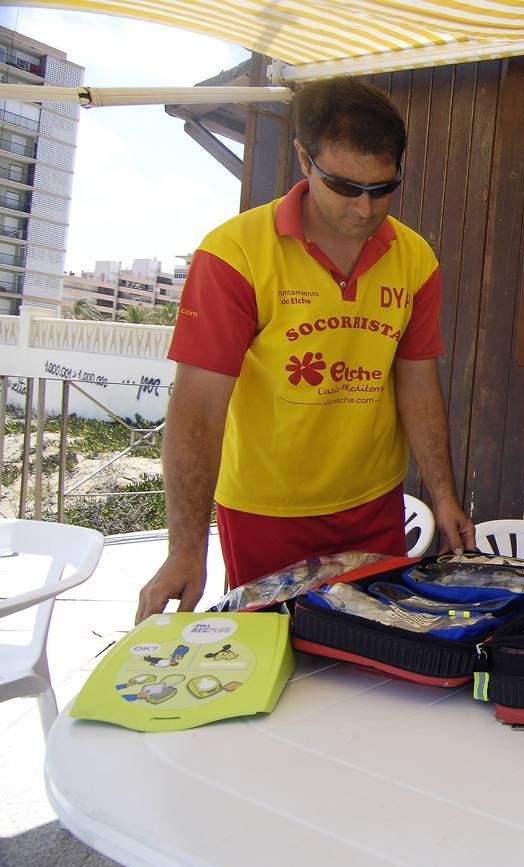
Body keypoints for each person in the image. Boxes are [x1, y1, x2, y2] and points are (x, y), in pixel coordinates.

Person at [137, 77, 475, 623]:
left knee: (374, 653)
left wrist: (444, 495)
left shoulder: (415, 259)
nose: (365, 209)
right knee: (272, 657)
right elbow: (198, 408)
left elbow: (417, 381)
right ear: (303, 157)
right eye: (343, 186)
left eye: (383, 188)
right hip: (265, 510)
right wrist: (185, 548)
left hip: (373, 503)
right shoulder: (235, 253)